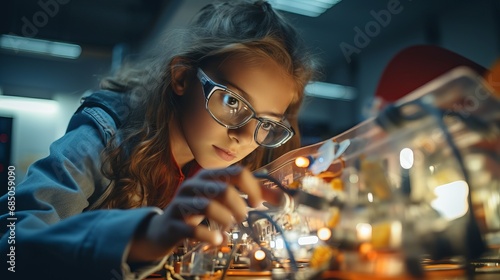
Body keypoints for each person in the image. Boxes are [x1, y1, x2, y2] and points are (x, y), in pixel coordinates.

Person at [0, 0, 316, 279]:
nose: (246, 137)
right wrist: (147, 236)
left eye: (266, 122)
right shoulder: (99, 141)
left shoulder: (224, 175)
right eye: (232, 102)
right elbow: (9, 251)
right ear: (181, 77)